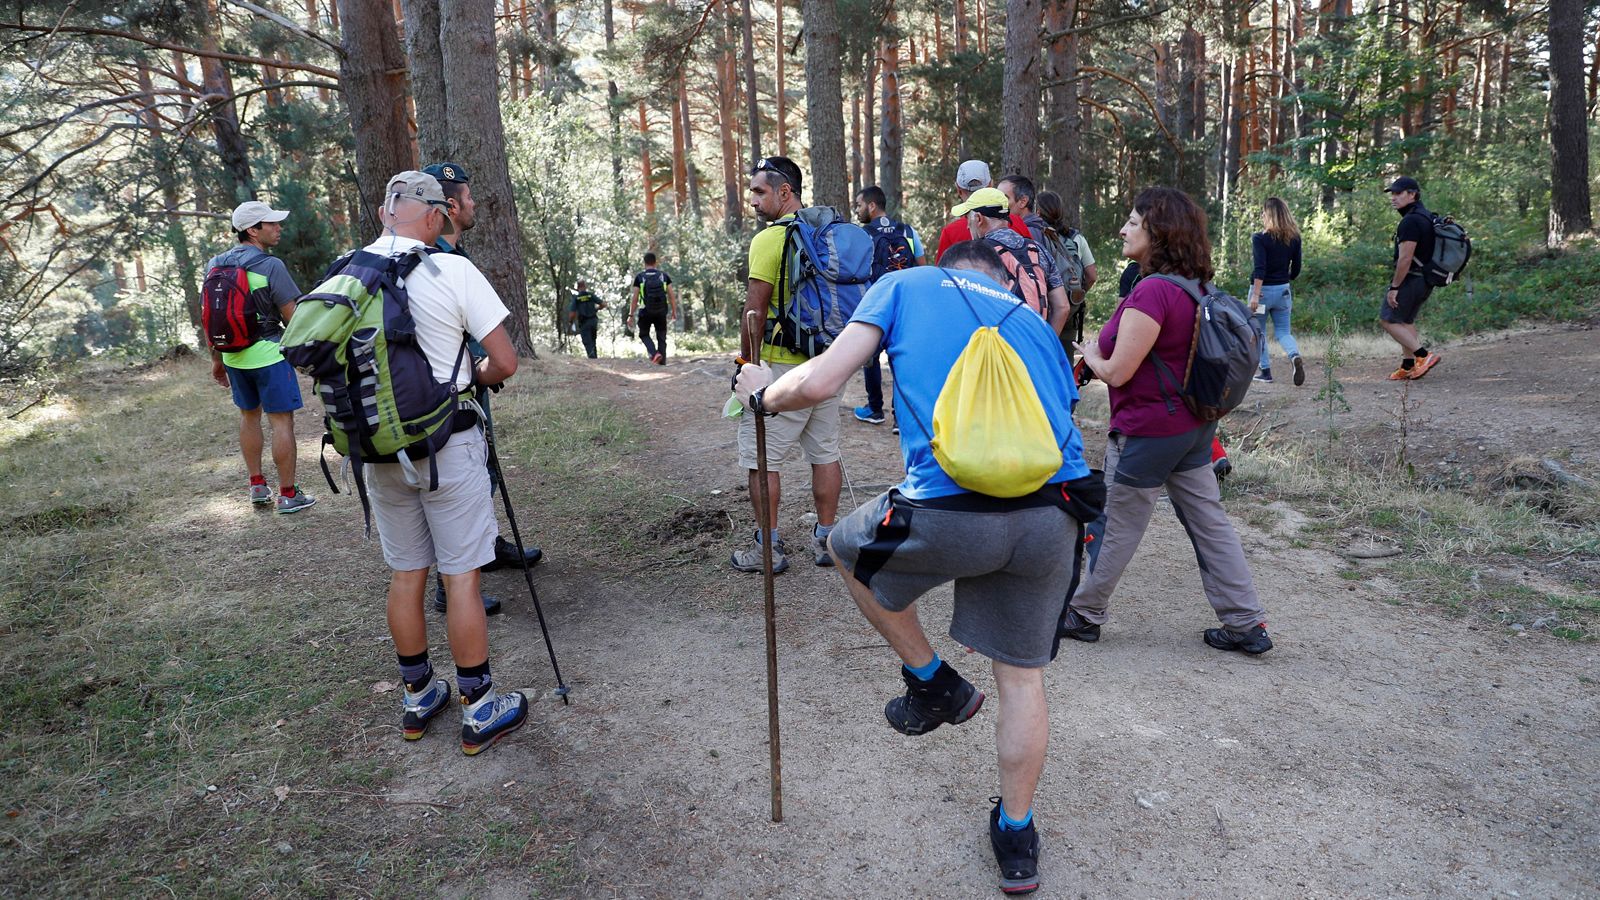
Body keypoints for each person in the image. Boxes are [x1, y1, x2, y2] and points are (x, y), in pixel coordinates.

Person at [734, 241, 1095, 896]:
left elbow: (819, 382)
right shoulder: (1033, 321)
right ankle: (1018, 837)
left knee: (847, 547)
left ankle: (933, 683)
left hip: (951, 508)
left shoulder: (906, 284)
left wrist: (762, 395)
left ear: (951, 267)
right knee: (1021, 680)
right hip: (1054, 517)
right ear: (997, 275)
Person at [361, 170, 529, 755]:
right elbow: (503, 362)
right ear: (434, 216)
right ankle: (480, 707)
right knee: (461, 575)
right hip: (447, 441)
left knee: (407, 572)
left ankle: (417, 695)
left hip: (378, 448)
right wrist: (472, 376)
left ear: (387, 212)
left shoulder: (347, 272)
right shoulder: (451, 269)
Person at [1064, 187, 1271, 654]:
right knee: (1210, 523)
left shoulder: (1153, 290)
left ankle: (1084, 612)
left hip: (1148, 431)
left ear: (1157, 234)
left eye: (1133, 222)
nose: (1123, 229)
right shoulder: (1197, 288)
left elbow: (1118, 370)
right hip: (1194, 428)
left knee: (1117, 523)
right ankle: (1245, 622)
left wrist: (1091, 354)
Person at [421, 162, 542, 617]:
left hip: (471, 384)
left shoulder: (456, 255)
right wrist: (484, 371)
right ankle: (446, 584)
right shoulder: (432, 261)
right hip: (448, 394)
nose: (475, 205)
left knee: (483, 469)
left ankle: (485, 549)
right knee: (454, 479)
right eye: (468, 198)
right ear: (449, 206)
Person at [733, 156, 843, 574]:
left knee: (763, 460)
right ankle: (828, 539)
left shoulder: (769, 240)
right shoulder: (828, 233)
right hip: (827, 364)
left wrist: (745, 364)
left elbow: (754, 312)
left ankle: (768, 548)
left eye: (760, 192)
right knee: (825, 454)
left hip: (781, 368)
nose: (754, 201)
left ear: (785, 192)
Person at [206, 200, 315, 514]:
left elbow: (212, 317)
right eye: (271, 223)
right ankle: (288, 494)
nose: (278, 228)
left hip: (233, 357)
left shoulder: (215, 264)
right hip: (268, 355)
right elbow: (293, 318)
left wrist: (217, 359)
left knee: (249, 416)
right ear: (253, 231)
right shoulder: (270, 265)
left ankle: (256, 485)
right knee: (282, 423)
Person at [1115, 260, 1232, 482]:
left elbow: (1120, 318)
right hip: (1192, 351)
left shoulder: (1135, 275)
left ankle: (1206, 459)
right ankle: (1216, 456)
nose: (1124, 232)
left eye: (1132, 223)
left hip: (1153, 356)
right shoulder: (1191, 273)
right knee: (1191, 407)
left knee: (1173, 409)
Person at [851, 184, 925, 426]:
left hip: (876, 304)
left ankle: (875, 409)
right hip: (905, 305)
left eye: (859, 205)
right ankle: (899, 417)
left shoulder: (862, 234)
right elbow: (922, 266)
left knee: (870, 357)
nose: (857, 210)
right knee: (900, 359)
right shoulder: (907, 230)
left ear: (872, 206)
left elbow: (856, 272)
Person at [954, 187, 1070, 336]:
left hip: (998, 349)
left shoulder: (976, 254)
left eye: (967, 218)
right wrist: (1047, 343)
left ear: (978, 218)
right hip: (1034, 345)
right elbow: (1062, 306)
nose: (967, 225)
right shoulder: (1037, 249)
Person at [1381, 176, 1442, 380]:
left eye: (1398, 193)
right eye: (1392, 194)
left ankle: (1423, 356)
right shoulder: (1425, 216)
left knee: (1388, 320)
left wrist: (1395, 286)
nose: (1393, 198)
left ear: (1412, 194)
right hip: (1425, 278)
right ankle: (1408, 365)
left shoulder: (1411, 221)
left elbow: (1405, 258)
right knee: (1405, 320)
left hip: (1412, 278)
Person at [1248, 197, 1305, 385]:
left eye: (1263, 212)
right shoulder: (1294, 238)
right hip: (1283, 291)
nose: (1262, 215)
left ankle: (1265, 372)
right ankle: (1294, 354)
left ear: (1269, 214)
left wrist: (1256, 294)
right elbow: (1296, 268)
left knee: (1260, 332)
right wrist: (1285, 279)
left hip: (1262, 293)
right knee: (1283, 332)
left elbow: (1260, 269)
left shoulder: (1260, 238)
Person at [934, 159, 1032, 262]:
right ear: (991, 184)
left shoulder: (950, 233)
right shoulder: (1017, 223)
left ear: (958, 189)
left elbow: (942, 274)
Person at [630, 252, 679, 365]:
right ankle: (662, 363)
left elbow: (635, 298)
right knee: (661, 336)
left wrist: (631, 315)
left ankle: (654, 353)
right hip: (661, 311)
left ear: (645, 263)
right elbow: (671, 295)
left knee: (643, 334)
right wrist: (674, 311)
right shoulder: (664, 276)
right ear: (655, 262)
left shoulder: (640, 277)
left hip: (645, 311)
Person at [567, 278, 605, 358]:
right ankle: (595, 359)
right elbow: (603, 304)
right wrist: (596, 309)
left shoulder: (576, 298)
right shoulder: (590, 295)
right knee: (593, 340)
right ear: (585, 286)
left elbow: (572, 313)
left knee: (587, 342)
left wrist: (570, 321)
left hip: (584, 322)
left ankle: (592, 359)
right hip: (593, 321)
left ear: (577, 288)